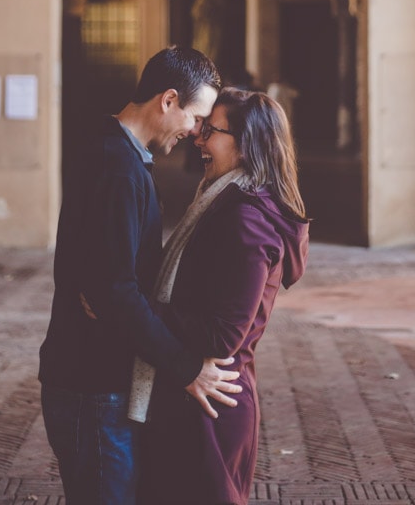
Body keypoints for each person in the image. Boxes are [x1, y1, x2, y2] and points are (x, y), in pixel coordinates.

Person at [38, 46, 242, 505]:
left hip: (95, 378)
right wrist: (188, 368)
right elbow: (114, 292)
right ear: (168, 100)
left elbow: (109, 289)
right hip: (90, 383)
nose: (195, 132)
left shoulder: (114, 150)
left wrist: (113, 296)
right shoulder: (119, 168)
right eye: (195, 116)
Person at [133, 88, 310, 505]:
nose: (198, 138)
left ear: (246, 146)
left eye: (211, 130)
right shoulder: (227, 201)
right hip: (201, 399)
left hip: (211, 410)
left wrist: (141, 308)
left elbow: (222, 337)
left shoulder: (246, 220)